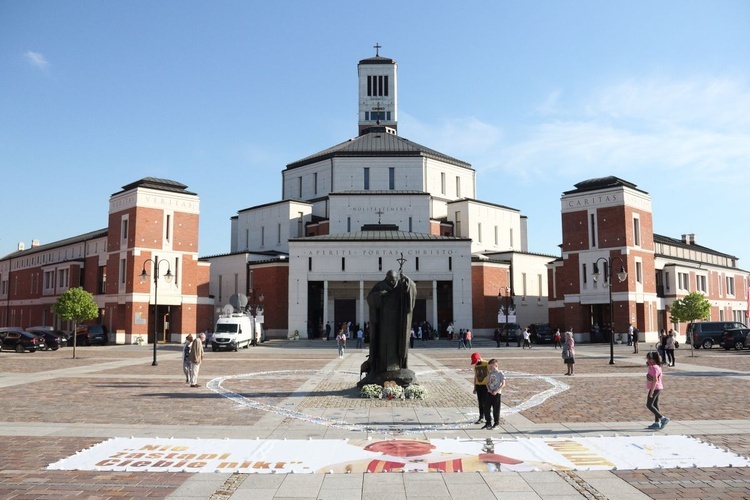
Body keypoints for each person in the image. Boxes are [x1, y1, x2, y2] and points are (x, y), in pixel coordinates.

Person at [365, 269, 417, 373]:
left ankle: (398, 365)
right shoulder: (380, 285)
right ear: (386, 277)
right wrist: (379, 295)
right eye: (390, 280)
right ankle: (382, 366)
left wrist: (407, 280)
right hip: (384, 320)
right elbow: (369, 298)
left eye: (394, 279)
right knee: (384, 343)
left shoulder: (400, 285)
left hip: (398, 320)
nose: (392, 282)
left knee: (398, 341)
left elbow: (412, 289)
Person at [646, 351, 670, 429]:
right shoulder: (656, 366)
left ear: (653, 359)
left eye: (649, 359)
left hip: (655, 388)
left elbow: (655, 380)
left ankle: (662, 418)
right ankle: (657, 422)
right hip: (658, 387)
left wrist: (651, 391)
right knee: (655, 404)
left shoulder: (654, 368)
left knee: (649, 404)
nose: (648, 360)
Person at [483, 358, 506, 430]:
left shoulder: (500, 373)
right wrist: (489, 389)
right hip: (490, 392)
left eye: (491, 366)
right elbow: (487, 383)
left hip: (497, 393)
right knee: (486, 407)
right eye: (489, 367)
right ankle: (488, 422)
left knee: (496, 409)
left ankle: (496, 423)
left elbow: (503, 384)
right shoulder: (490, 373)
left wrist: (497, 391)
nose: (490, 368)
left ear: (495, 365)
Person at [471, 352, 490, 425]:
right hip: (479, 386)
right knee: (480, 402)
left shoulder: (486, 364)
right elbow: (475, 376)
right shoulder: (476, 366)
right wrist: (475, 387)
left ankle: (487, 416)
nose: (475, 363)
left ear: (479, 358)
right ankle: (481, 416)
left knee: (486, 402)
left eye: (476, 361)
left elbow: (490, 374)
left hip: (486, 386)